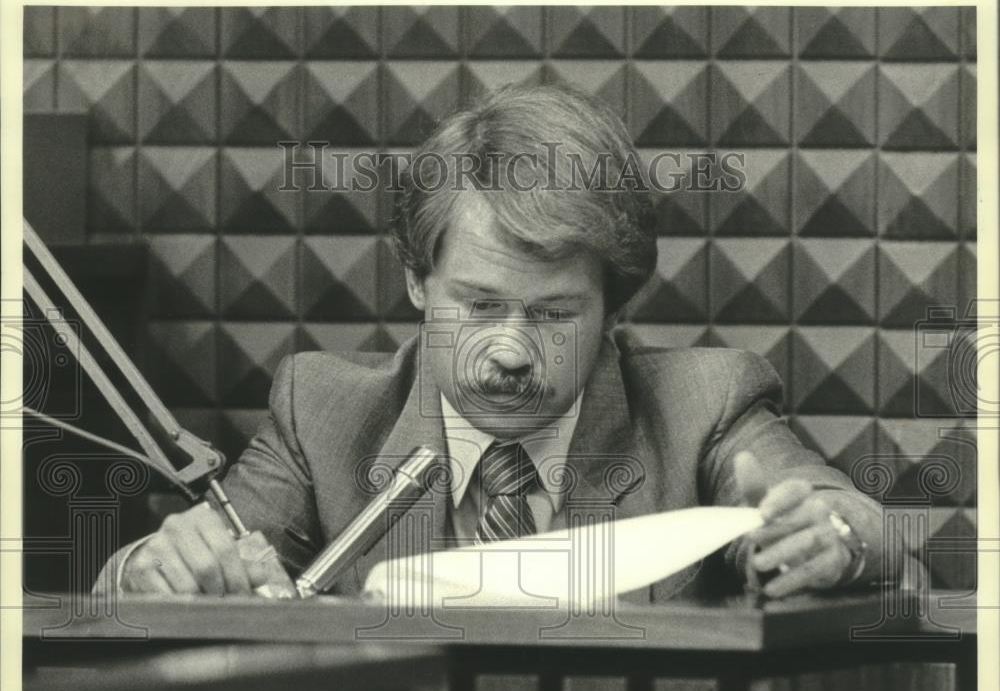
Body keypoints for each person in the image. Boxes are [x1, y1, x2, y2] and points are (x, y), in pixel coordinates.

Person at [97, 82, 893, 600]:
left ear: (613, 307)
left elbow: (859, 526)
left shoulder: (706, 403)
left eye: (552, 316)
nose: (509, 352)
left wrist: (835, 539)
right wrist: (152, 570)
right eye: (478, 306)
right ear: (417, 280)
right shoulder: (322, 410)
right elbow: (186, 571)